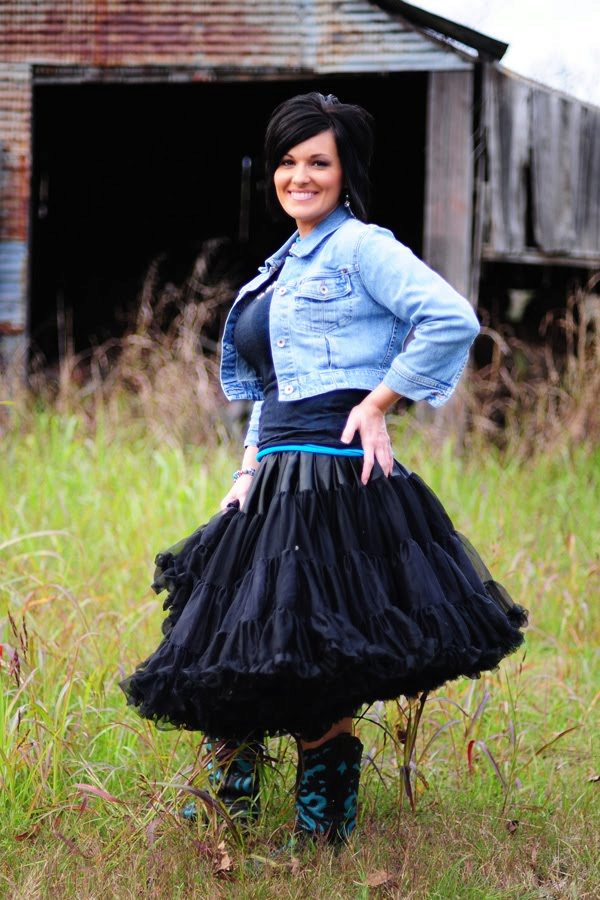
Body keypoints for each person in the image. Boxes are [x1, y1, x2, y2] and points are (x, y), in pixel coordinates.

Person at [121, 92, 527, 845]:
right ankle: (230, 803)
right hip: (273, 477)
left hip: (334, 476)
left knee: (317, 646)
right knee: (234, 636)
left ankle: (323, 825)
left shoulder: (362, 248)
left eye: (318, 162)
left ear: (346, 174)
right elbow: (272, 387)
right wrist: (246, 470)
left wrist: (379, 401)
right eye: (287, 161)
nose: (299, 176)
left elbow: (452, 319)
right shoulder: (279, 265)